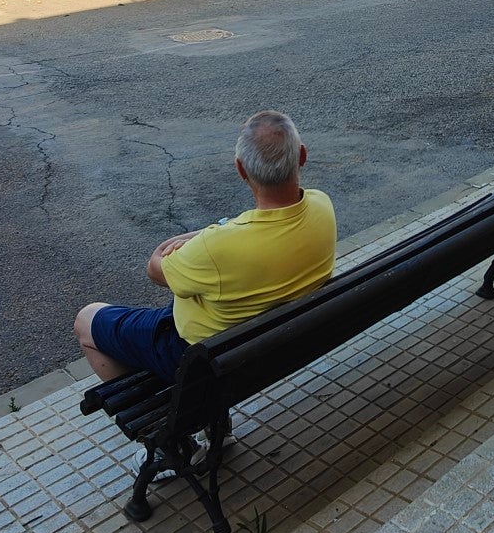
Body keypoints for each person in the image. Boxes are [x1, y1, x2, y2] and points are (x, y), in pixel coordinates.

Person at [75, 111, 337, 382]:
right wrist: (214, 233)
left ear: (240, 169)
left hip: (199, 357)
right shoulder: (322, 205)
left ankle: (144, 401)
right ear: (302, 155)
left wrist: (202, 236)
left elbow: (155, 268)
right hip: (275, 346)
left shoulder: (216, 248)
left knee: (87, 318)